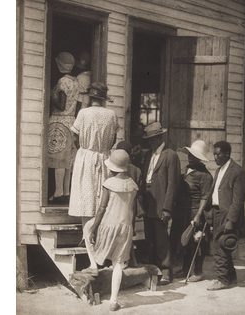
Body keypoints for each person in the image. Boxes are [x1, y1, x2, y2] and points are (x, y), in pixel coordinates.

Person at [69, 82, 119, 273]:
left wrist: (84, 150)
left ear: (90, 97)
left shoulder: (83, 113)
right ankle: (101, 255)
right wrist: (102, 149)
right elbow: (113, 140)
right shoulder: (112, 115)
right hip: (105, 159)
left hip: (86, 158)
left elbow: (74, 136)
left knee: (86, 207)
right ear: (103, 98)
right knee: (102, 207)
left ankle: (92, 260)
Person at [86, 150, 139, 311]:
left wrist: (94, 229)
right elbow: (133, 210)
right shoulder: (133, 185)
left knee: (87, 228)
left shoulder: (109, 183)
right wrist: (132, 228)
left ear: (113, 168)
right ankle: (113, 301)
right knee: (118, 263)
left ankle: (93, 263)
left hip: (108, 225)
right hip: (125, 226)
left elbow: (102, 209)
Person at [139, 122, 181, 285]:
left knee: (162, 238)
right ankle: (153, 270)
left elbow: (172, 184)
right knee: (150, 237)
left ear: (158, 138)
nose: (149, 142)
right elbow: (145, 177)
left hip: (161, 201)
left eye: (151, 139)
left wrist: (167, 208)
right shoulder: (149, 155)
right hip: (149, 199)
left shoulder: (170, 155)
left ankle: (165, 272)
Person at [205, 141, 245, 291]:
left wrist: (231, 220)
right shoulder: (219, 170)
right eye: (214, 154)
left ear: (227, 154)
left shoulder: (237, 171)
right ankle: (232, 278)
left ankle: (222, 280)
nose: (215, 157)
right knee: (223, 245)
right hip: (216, 212)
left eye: (218, 154)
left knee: (220, 246)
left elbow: (238, 199)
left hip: (226, 215)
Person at [172, 140, 213, 282]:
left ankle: (198, 272)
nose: (191, 158)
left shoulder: (205, 176)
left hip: (195, 211)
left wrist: (199, 215)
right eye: (190, 155)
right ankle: (185, 269)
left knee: (197, 241)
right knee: (186, 241)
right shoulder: (187, 169)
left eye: (194, 156)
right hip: (183, 211)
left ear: (200, 159)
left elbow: (205, 196)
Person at [48, 52, 80, 204]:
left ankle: (58, 192)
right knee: (68, 159)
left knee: (59, 158)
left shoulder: (62, 81)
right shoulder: (75, 81)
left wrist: (49, 96)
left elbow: (61, 106)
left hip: (59, 121)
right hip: (71, 121)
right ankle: (66, 192)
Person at [115, 141, 143, 267]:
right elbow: (140, 190)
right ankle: (131, 259)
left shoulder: (116, 169)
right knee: (129, 233)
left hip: (117, 206)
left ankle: (121, 259)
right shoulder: (137, 170)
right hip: (131, 207)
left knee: (118, 233)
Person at [73, 51, 91, 115]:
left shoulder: (80, 77)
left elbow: (79, 99)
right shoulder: (90, 75)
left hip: (81, 101)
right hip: (88, 100)